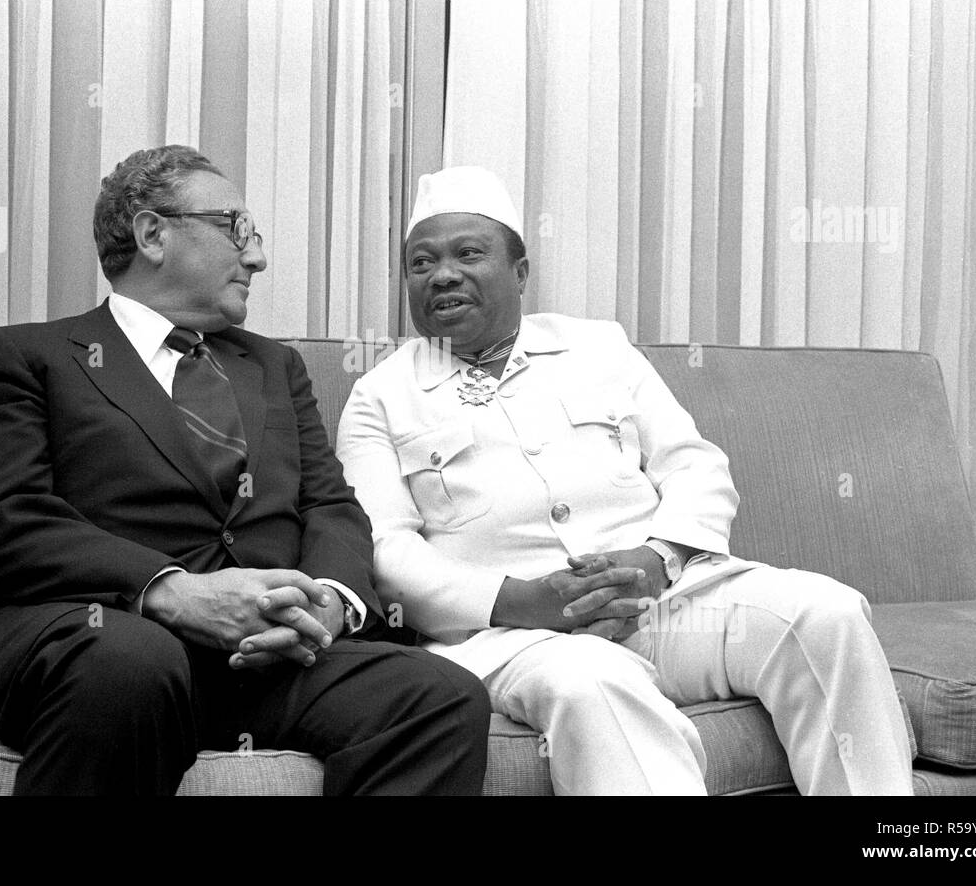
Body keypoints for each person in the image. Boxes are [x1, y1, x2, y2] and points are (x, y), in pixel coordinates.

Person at [336, 165, 915, 795]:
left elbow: (696, 465)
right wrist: (522, 600)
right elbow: (386, 549)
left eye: (468, 253)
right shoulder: (379, 396)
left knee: (824, 612)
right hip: (510, 638)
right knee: (594, 681)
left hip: (665, 602)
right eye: (421, 263)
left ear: (520, 272)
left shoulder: (599, 348)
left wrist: (657, 559)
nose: (442, 274)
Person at [0, 145, 490, 795]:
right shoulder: (29, 355)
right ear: (153, 234)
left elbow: (329, 507)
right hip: (94, 641)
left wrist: (331, 603)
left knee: (441, 694)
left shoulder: (274, 365)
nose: (257, 256)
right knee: (132, 660)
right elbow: (6, 522)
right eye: (238, 229)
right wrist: (173, 592)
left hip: (258, 665)